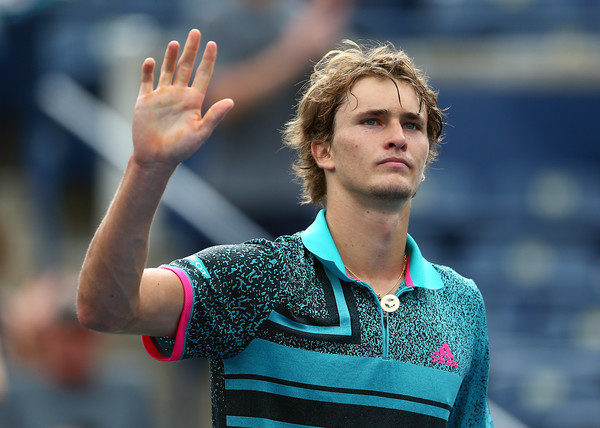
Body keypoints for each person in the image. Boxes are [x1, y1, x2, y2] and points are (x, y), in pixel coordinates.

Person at [77, 29, 493, 427]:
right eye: (372, 121)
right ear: (323, 150)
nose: (398, 137)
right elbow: (107, 307)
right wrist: (148, 168)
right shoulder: (257, 277)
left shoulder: (462, 304)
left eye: (413, 125)